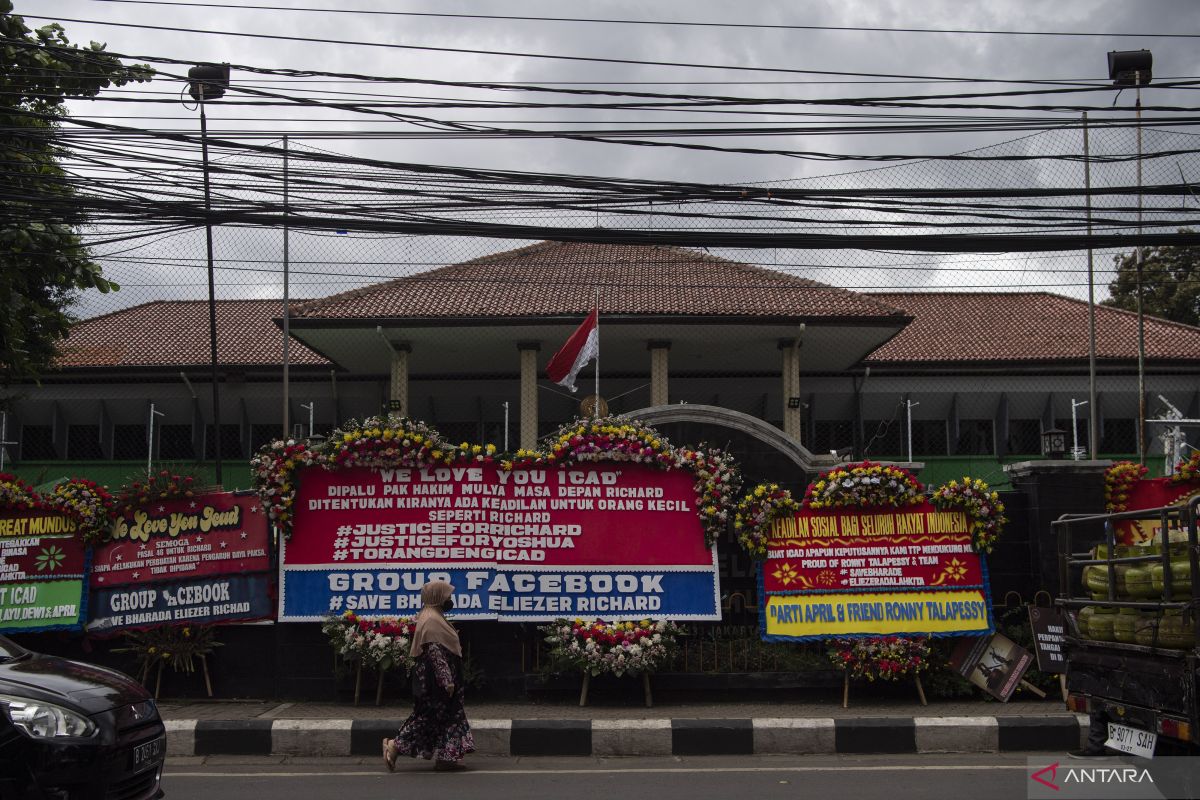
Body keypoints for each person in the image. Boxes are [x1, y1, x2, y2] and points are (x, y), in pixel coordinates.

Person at [382, 580, 475, 771]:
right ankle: (394, 745)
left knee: (450, 716)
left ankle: (446, 757)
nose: (449, 599)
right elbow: (435, 651)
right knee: (429, 717)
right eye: (447, 595)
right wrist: (447, 681)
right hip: (436, 681)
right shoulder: (432, 619)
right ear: (437, 596)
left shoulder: (434, 616)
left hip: (438, 678)